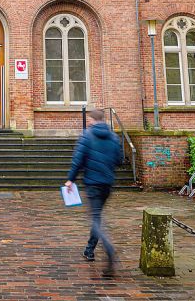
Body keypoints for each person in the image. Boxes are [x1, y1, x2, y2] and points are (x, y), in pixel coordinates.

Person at [64, 108, 124, 276]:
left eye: (89, 119)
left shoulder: (86, 136)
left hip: (92, 184)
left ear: (92, 120)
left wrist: (70, 179)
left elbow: (78, 160)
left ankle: (109, 249)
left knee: (96, 219)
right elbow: (119, 160)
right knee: (96, 216)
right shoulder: (113, 137)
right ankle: (89, 250)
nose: (88, 122)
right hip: (107, 184)